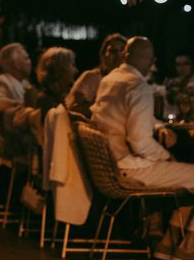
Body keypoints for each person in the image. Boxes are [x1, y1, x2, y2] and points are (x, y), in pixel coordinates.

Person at [91, 36, 194, 191]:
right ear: (150, 60)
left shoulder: (109, 79)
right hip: (127, 167)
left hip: (107, 164)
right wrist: (166, 157)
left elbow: (128, 116)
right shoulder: (137, 85)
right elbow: (140, 142)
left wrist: (158, 126)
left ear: (126, 54)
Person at [65, 32, 126, 117]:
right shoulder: (91, 77)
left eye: (123, 50)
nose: (119, 55)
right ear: (103, 55)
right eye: (113, 51)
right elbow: (73, 109)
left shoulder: (130, 81)